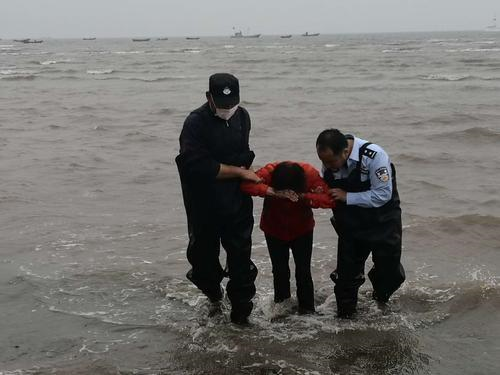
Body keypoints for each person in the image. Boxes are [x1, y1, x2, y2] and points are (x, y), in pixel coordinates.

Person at [175, 73, 261, 325]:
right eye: (222, 106)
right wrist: (238, 171)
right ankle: (213, 295)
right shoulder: (195, 123)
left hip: (237, 201)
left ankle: (241, 317)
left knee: (241, 259)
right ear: (208, 98)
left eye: (232, 104)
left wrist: (254, 175)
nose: (228, 110)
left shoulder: (242, 116)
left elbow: (244, 155)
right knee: (202, 260)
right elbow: (196, 165)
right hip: (203, 203)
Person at [316, 129, 405, 318]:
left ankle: (381, 304)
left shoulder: (374, 156)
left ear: (345, 152)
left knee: (389, 272)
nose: (328, 166)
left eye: (332, 162)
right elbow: (330, 190)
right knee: (345, 278)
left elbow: (383, 194)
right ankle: (345, 322)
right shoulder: (330, 162)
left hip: (383, 221)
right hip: (351, 224)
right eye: (324, 162)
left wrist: (348, 197)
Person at [241, 161, 335, 314]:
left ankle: (308, 311)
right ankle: (282, 310)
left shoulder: (309, 174)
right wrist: (272, 191)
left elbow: (329, 200)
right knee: (279, 270)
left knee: (303, 271)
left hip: (302, 229)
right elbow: (246, 186)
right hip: (273, 228)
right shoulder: (269, 172)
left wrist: (303, 195)